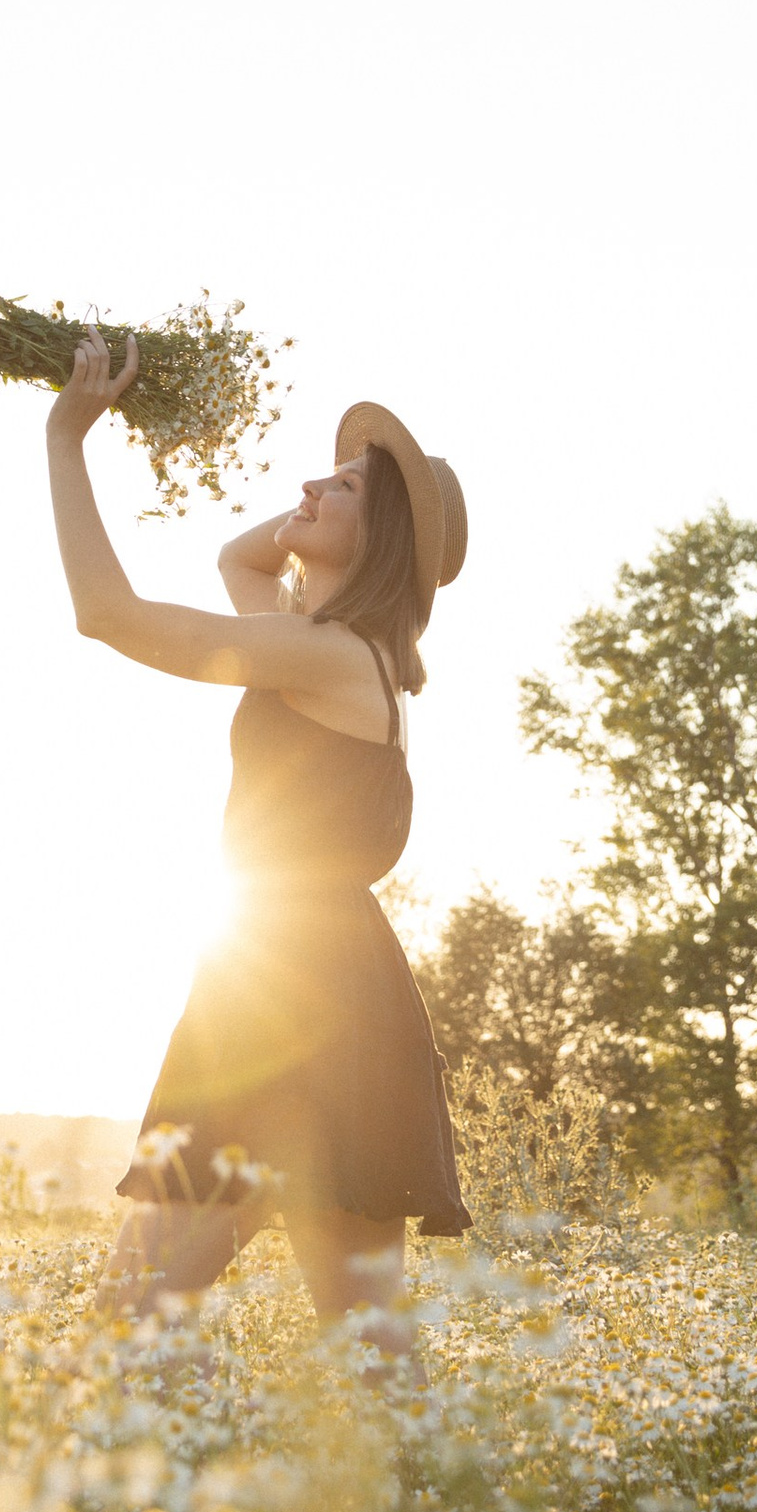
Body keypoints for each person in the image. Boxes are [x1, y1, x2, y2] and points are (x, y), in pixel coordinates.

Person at [44, 331, 469, 1326]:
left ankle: (125, 1474)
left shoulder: (326, 658)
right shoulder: (321, 649)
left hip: (291, 989)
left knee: (133, 1311)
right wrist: (332, 509)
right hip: (315, 981)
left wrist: (69, 439)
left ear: (385, 543)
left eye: (349, 489)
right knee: (366, 1352)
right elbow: (239, 556)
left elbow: (104, 612)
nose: (310, 485)